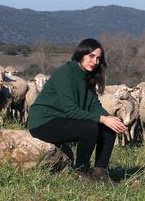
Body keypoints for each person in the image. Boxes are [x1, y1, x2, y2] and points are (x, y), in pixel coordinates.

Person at [27, 38, 127, 183]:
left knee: (108, 128)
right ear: (81, 54)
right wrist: (103, 119)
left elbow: (93, 105)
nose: (95, 61)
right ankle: (82, 171)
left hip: (64, 120)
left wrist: (111, 120)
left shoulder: (88, 76)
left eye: (98, 58)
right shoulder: (66, 73)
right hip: (44, 122)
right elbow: (71, 111)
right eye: (91, 56)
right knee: (90, 128)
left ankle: (100, 172)